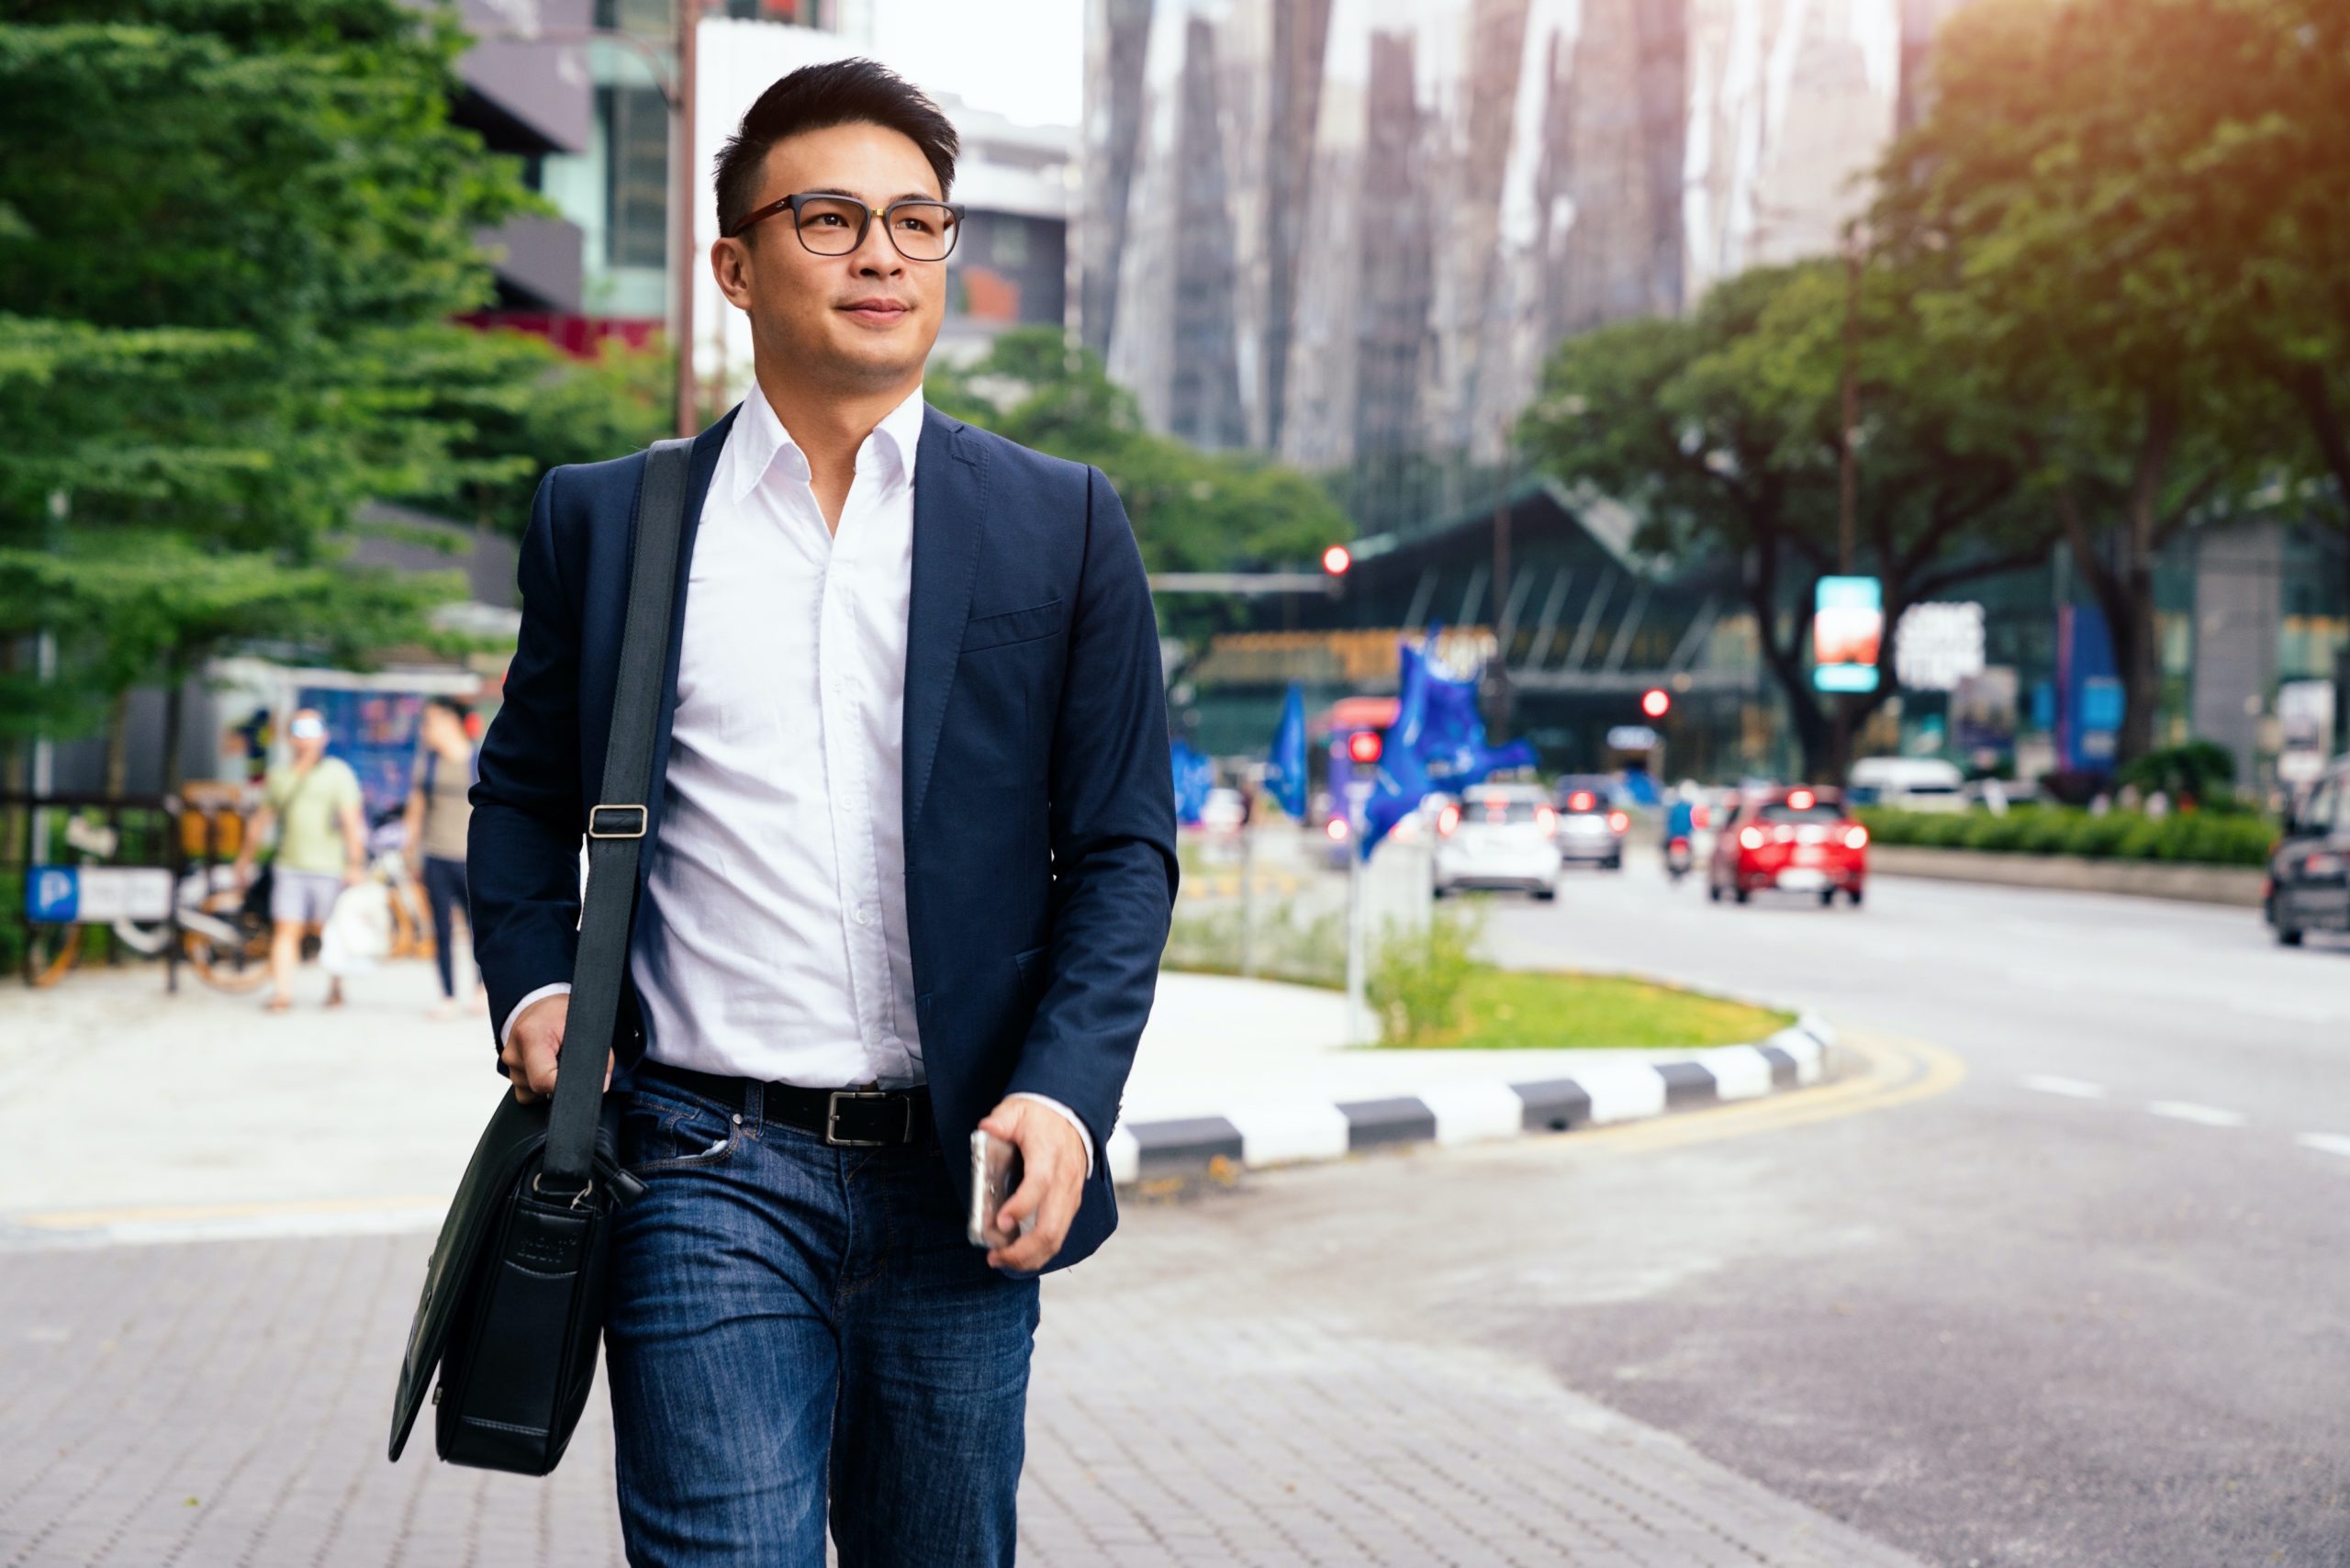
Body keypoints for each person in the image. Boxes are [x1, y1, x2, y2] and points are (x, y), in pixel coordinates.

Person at [465, 60, 1177, 1568]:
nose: (882, 255)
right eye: (833, 216)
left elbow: (1121, 848)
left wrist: (1065, 1088)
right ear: (733, 263)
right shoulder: (612, 520)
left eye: (919, 223)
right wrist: (536, 982)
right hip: (700, 1163)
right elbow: (523, 795)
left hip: (962, 1166)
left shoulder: (1062, 519)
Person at [233, 707, 367, 1012]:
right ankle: (283, 992)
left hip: (328, 867)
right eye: (298, 732)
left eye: (311, 731)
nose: (304, 740)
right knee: (286, 929)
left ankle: (335, 987)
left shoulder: (338, 774)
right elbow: (260, 822)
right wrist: (244, 860)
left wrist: (354, 863)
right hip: (288, 865)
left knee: (327, 931)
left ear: (323, 736)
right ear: (289, 737)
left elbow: (350, 822)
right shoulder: (279, 776)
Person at [400, 696, 484, 1019]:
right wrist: (411, 854)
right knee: (441, 931)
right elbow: (416, 810)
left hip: (470, 859)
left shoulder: (477, 758)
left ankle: (481, 988)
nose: (425, 729)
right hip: (435, 856)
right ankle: (447, 995)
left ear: (450, 721)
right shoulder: (428, 763)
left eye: (430, 721)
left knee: (480, 929)